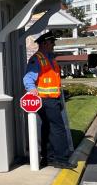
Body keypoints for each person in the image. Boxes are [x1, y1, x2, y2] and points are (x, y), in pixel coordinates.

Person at [24, 31, 74, 169]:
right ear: (45, 43)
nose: (54, 45)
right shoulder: (38, 58)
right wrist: (31, 90)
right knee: (58, 129)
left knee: (48, 128)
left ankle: (49, 158)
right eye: (52, 42)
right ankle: (61, 159)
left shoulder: (50, 58)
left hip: (53, 99)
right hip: (46, 100)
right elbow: (28, 78)